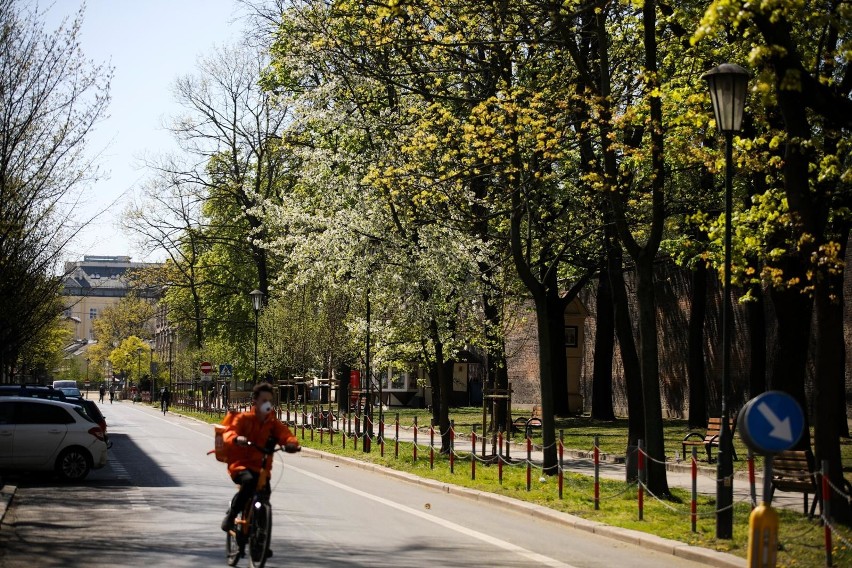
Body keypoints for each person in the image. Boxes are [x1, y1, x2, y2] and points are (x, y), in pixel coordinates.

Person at [220, 382, 300, 532]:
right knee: (249, 483)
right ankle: (230, 517)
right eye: (264, 400)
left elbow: (285, 434)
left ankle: (260, 543)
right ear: (255, 401)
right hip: (240, 465)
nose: (267, 404)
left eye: (270, 401)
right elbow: (229, 432)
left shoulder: (272, 422)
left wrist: (291, 444)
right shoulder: (243, 419)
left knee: (265, 497)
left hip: (262, 468)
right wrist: (236, 439)